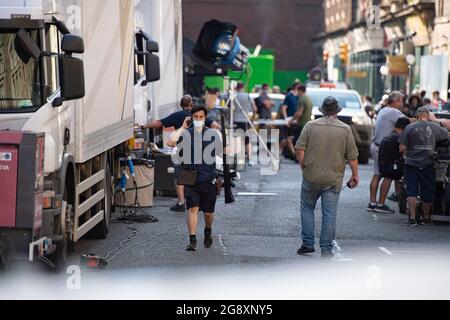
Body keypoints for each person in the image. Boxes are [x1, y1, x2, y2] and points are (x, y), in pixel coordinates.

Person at [296, 97, 359, 258]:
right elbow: (352, 157)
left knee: (307, 208)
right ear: (337, 111)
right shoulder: (345, 129)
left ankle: (308, 244)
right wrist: (355, 175)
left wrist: (304, 166)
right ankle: (326, 248)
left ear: (322, 110)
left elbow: (299, 149)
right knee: (329, 213)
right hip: (333, 179)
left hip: (311, 176)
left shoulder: (310, 126)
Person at [139, 95, 220, 212]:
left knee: (180, 176)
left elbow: (159, 123)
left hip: (182, 152)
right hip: (200, 153)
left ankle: (182, 202)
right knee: (201, 174)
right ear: (191, 104)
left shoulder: (178, 115)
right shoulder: (200, 116)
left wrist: (143, 126)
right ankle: (199, 201)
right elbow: (216, 126)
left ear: (180, 105)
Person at [167, 106, 224, 251]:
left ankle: (207, 230)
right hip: (190, 178)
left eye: (201, 117)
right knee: (192, 209)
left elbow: (220, 152)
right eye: (195, 117)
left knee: (209, 213)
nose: (198, 120)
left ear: (205, 118)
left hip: (208, 178)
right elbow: (171, 143)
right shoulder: (186, 133)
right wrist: (183, 126)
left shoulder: (212, 134)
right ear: (191, 118)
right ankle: (192, 240)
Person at [399, 107, 449, 226]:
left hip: (411, 164)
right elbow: (447, 134)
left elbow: (401, 148)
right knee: (428, 192)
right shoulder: (434, 127)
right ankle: (425, 218)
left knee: (411, 191)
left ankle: (412, 218)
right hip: (428, 164)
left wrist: (408, 153)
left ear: (417, 116)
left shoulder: (409, 128)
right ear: (428, 116)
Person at [369, 91, 412, 214]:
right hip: (384, 148)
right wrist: (425, 118)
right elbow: (408, 121)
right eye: (401, 101)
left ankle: (372, 203)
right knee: (388, 175)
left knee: (377, 175)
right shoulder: (394, 112)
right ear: (397, 101)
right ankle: (380, 205)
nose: (402, 103)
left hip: (376, 145)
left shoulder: (383, 109)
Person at [377, 117, 411, 207]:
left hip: (384, 163)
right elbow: (402, 149)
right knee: (388, 178)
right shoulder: (398, 137)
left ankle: (382, 203)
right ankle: (381, 204)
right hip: (390, 165)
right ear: (404, 128)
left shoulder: (391, 135)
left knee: (388, 178)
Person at [233, 82, 257, 163]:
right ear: (243, 87)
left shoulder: (234, 96)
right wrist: (252, 119)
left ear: (236, 87)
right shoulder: (247, 96)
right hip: (245, 120)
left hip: (235, 120)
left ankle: (237, 158)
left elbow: (229, 108)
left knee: (236, 140)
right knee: (247, 140)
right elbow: (255, 109)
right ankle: (250, 159)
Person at [289, 85, 313, 158]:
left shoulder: (301, 99)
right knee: (305, 143)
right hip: (308, 124)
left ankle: (297, 157)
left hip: (301, 124)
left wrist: (291, 120)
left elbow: (299, 112)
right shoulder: (309, 99)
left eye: (297, 91)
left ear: (300, 91)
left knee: (298, 142)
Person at [280, 84, 300, 160]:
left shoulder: (299, 96)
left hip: (297, 119)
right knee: (289, 138)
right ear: (296, 88)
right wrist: (286, 118)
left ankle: (280, 150)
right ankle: (294, 155)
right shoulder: (289, 96)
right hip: (290, 119)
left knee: (292, 138)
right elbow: (284, 107)